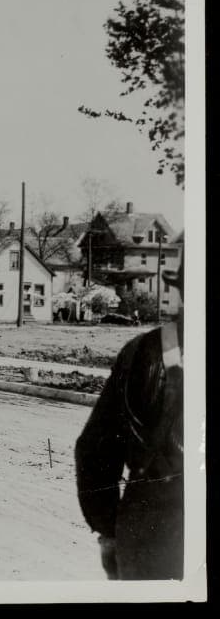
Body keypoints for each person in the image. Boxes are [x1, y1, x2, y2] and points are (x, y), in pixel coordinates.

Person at [74, 237, 185, 580]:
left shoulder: (143, 353)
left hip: (151, 534)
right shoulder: (146, 352)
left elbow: (96, 452)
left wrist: (108, 532)